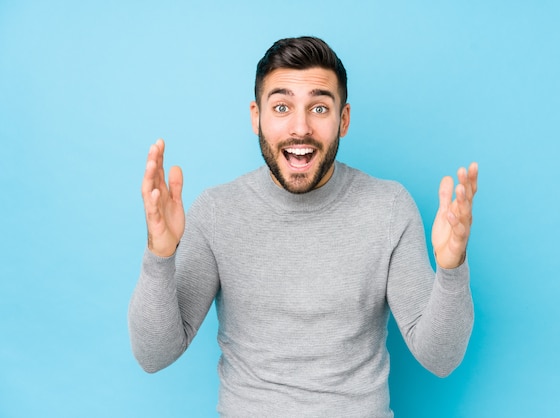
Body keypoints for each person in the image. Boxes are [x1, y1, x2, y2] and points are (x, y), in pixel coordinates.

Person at [129, 36, 478, 417]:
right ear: (256, 117)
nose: (300, 127)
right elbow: (153, 354)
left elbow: (440, 359)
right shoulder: (217, 211)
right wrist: (160, 254)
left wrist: (451, 269)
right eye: (281, 107)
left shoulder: (389, 207)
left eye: (319, 108)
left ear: (342, 120)